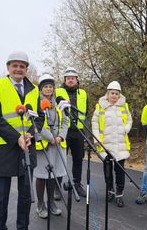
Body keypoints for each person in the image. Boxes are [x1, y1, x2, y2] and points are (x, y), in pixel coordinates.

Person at [0, 50, 44, 230]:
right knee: (1, 197)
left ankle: (22, 227)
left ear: (27, 69)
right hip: (5, 149)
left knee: (26, 195)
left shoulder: (35, 90)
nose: (18, 69)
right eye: (15, 65)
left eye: (22, 66)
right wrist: (17, 137)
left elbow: (40, 117)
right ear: (8, 67)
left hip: (27, 147)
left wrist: (30, 134)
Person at [91, 81, 132, 207]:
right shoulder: (100, 106)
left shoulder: (124, 107)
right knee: (107, 171)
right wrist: (97, 139)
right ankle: (110, 191)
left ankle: (119, 195)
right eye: (112, 93)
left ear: (119, 95)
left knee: (120, 171)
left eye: (116, 93)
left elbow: (129, 120)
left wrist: (125, 129)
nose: (114, 96)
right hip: (106, 145)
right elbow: (95, 123)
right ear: (107, 94)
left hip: (120, 145)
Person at [34, 73, 68, 219]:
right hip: (44, 145)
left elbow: (66, 121)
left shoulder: (59, 103)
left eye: (50, 87)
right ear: (41, 89)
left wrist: (60, 136)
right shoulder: (36, 103)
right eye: (45, 87)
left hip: (58, 144)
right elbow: (37, 124)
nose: (48, 89)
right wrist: (50, 137)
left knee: (54, 175)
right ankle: (40, 205)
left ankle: (52, 203)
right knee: (42, 176)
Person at [54, 67, 88, 198]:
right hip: (63, 131)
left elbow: (86, 113)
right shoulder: (58, 92)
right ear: (64, 80)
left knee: (78, 159)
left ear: (77, 79)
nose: (70, 80)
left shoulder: (83, 93)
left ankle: (77, 184)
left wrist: (86, 133)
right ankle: (57, 187)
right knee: (61, 159)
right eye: (68, 78)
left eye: (73, 78)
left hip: (78, 131)